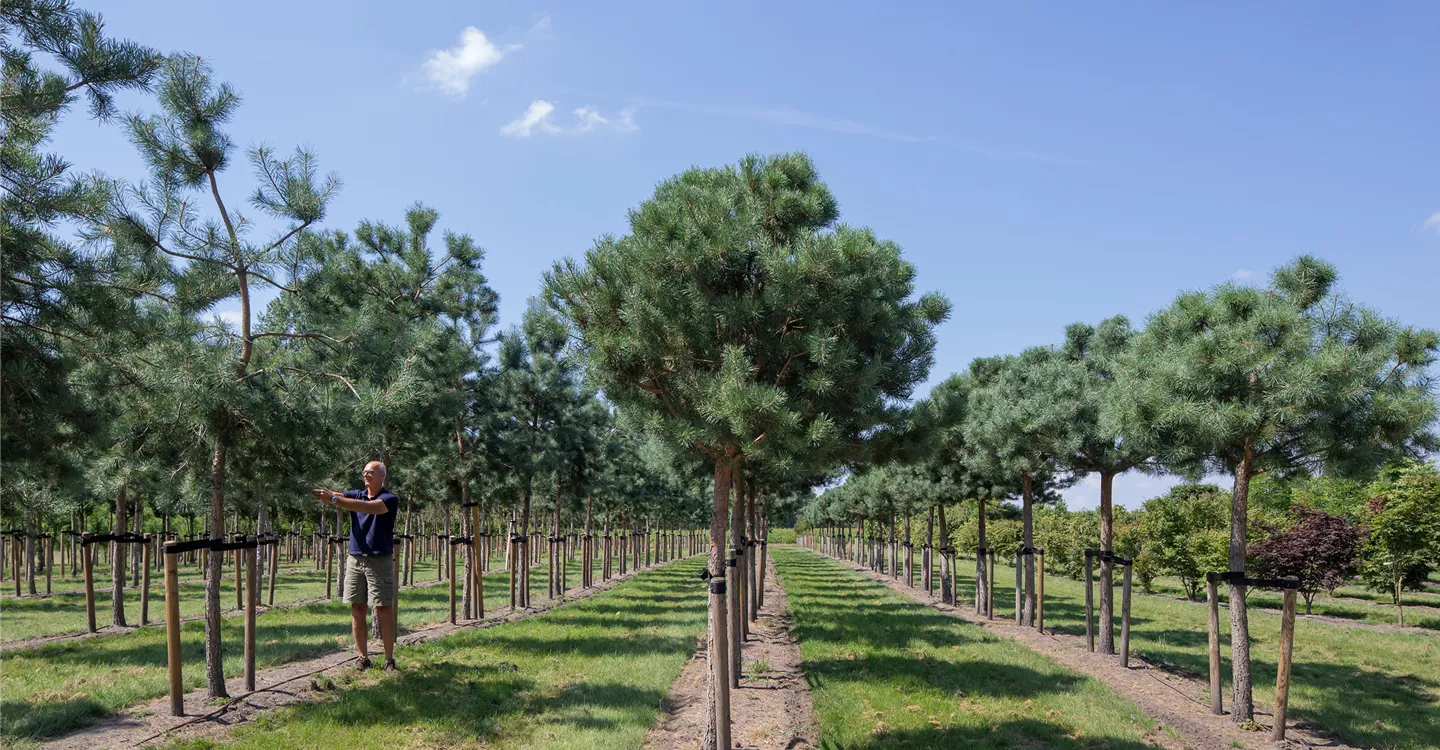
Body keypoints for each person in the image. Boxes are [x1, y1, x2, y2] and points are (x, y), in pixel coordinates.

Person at [313, 461, 400, 672]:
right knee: (357, 607)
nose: (366, 475)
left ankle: (389, 659)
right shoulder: (357, 494)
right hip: (355, 559)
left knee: (383, 608)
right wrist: (321, 491)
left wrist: (335, 499)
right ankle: (362, 657)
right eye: (364, 472)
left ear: (382, 476)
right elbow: (337, 493)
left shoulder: (389, 498)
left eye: (371, 472)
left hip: (379, 559)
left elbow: (366, 508)